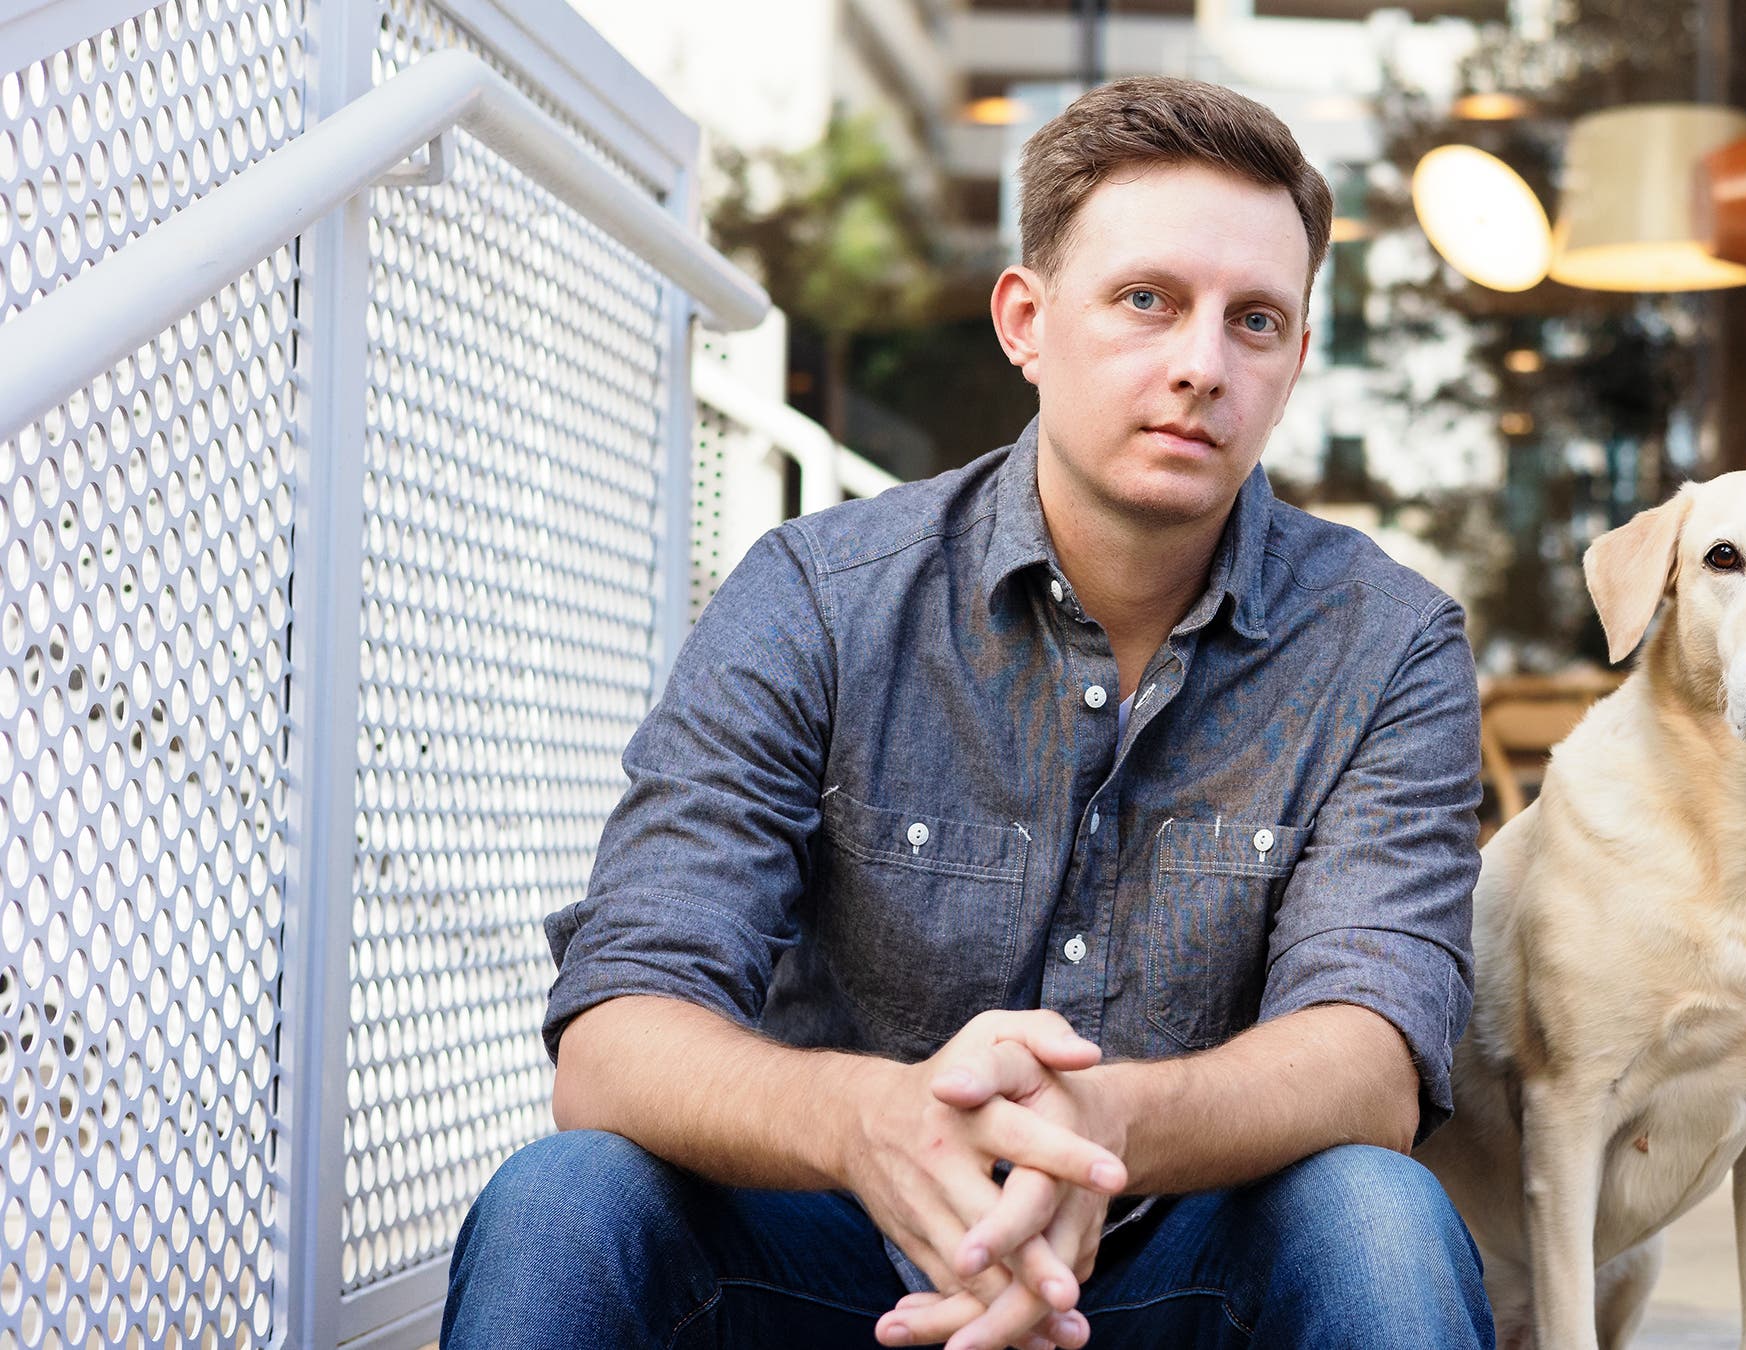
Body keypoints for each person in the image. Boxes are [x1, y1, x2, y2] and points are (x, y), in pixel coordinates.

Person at [442, 75, 1494, 1350]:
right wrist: (874, 1122)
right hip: (836, 1257)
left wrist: (1103, 1133)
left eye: (1255, 321)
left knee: (1376, 1212)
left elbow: (1371, 1063)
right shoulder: (817, 600)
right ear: (1026, 320)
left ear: (1297, 360)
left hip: (1178, 1268)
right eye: (1146, 300)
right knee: (567, 1199)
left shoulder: (1388, 645)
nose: (1200, 365)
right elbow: (615, 1040)